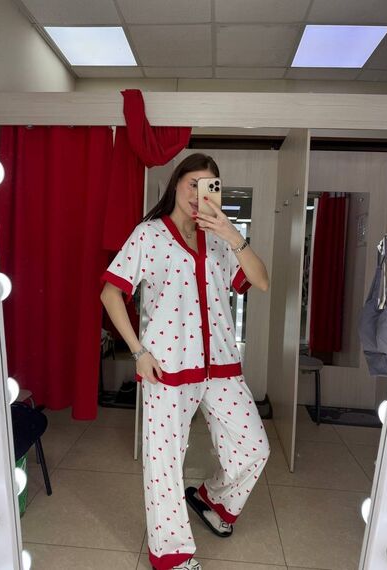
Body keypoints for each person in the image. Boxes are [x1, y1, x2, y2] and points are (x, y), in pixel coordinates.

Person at [100, 153, 271, 570]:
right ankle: (172, 555)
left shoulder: (221, 237)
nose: (198, 194)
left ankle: (214, 499)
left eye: (209, 186)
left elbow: (261, 281)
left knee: (254, 448)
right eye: (192, 183)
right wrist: (138, 352)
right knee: (164, 466)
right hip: (167, 368)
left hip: (222, 366)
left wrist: (231, 233)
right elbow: (110, 293)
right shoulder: (149, 235)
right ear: (176, 183)